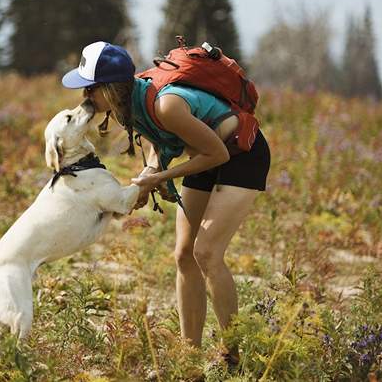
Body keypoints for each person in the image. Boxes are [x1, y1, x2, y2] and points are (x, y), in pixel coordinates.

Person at [61, 41, 271, 364]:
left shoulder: (165, 104)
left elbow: (218, 153)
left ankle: (232, 357)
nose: (85, 98)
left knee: (207, 253)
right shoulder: (127, 106)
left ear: (110, 88)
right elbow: (161, 141)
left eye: (90, 89)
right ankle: (190, 356)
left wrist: (158, 179)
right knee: (184, 254)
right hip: (206, 153)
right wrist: (149, 171)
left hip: (241, 152)